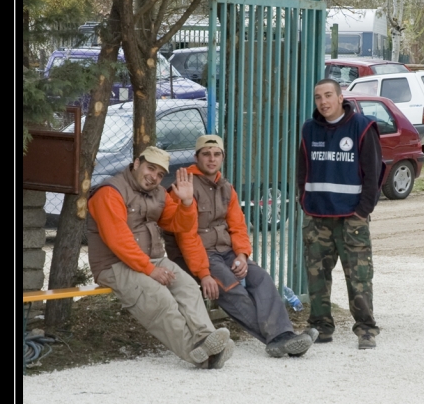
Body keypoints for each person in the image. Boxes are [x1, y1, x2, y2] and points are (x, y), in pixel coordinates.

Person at [164, 135, 313, 358]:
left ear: (222, 158)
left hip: (226, 251)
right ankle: (278, 339)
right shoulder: (185, 187)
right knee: (230, 286)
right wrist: (203, 273)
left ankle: (283, 333)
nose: (211, 159)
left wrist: (242, 255)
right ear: (196, 157)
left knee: (261, 277)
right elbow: (186, 236)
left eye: (216, 154)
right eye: (206, 154)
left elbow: (238, 226)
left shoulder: (226, 187)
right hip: (197, 255)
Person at [87, 146, 234, 369]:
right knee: (159, 298)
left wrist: (186, 204)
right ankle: (197, 354)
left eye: (159, 174)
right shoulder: (110, 192)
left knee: (187, 286)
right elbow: (118, 240)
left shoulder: (158, 194)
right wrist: (150, 269)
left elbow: (179, 225)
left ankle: (206, 338)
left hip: (150, 261)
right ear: (137, 163)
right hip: (114, 265)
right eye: (150, 169)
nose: (154, 177)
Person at [298, 79, 385, 350]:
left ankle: (366, 329)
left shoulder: (362, 127)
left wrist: (362, 211)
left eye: (328, 95)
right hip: (317, 215)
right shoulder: (309, 130)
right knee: (316, 276)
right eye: (318, 97)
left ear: (339, 97)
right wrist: (305, 201)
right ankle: (320, 325)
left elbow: (373, 174)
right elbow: (302, 171)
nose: (323, 102)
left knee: (359, 275)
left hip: (352, 217)